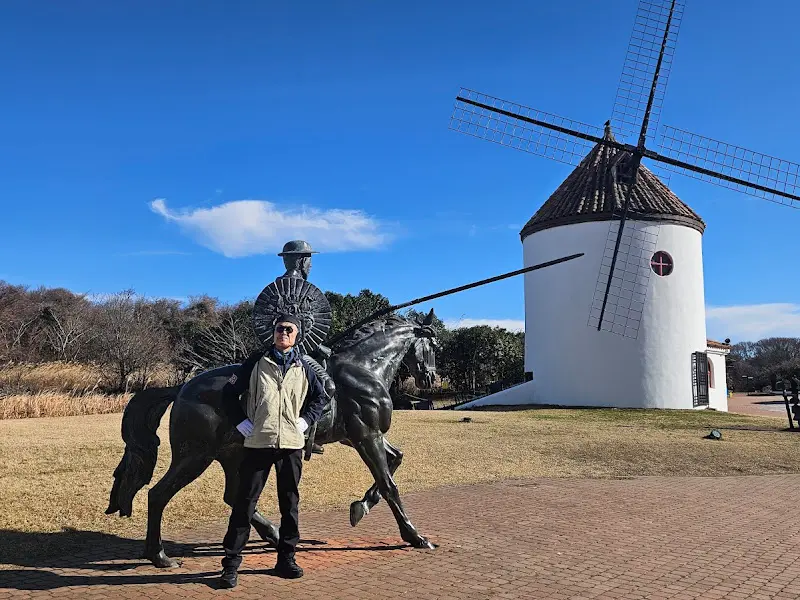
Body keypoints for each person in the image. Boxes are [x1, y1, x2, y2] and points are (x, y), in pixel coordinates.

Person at [218, 313, 329, 588]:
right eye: (279, 329)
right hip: (258, 442)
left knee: (289, 504)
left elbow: (322, 396)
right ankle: (230, 565)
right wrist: (241, 422)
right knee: (245, 503)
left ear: (297, 335)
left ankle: (286, 559)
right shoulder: (256, 362)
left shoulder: (305, 366)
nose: (283, 333)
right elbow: (228, 394)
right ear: (273, 332)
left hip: (291, 444)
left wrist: (305, 421)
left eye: (289, 330)